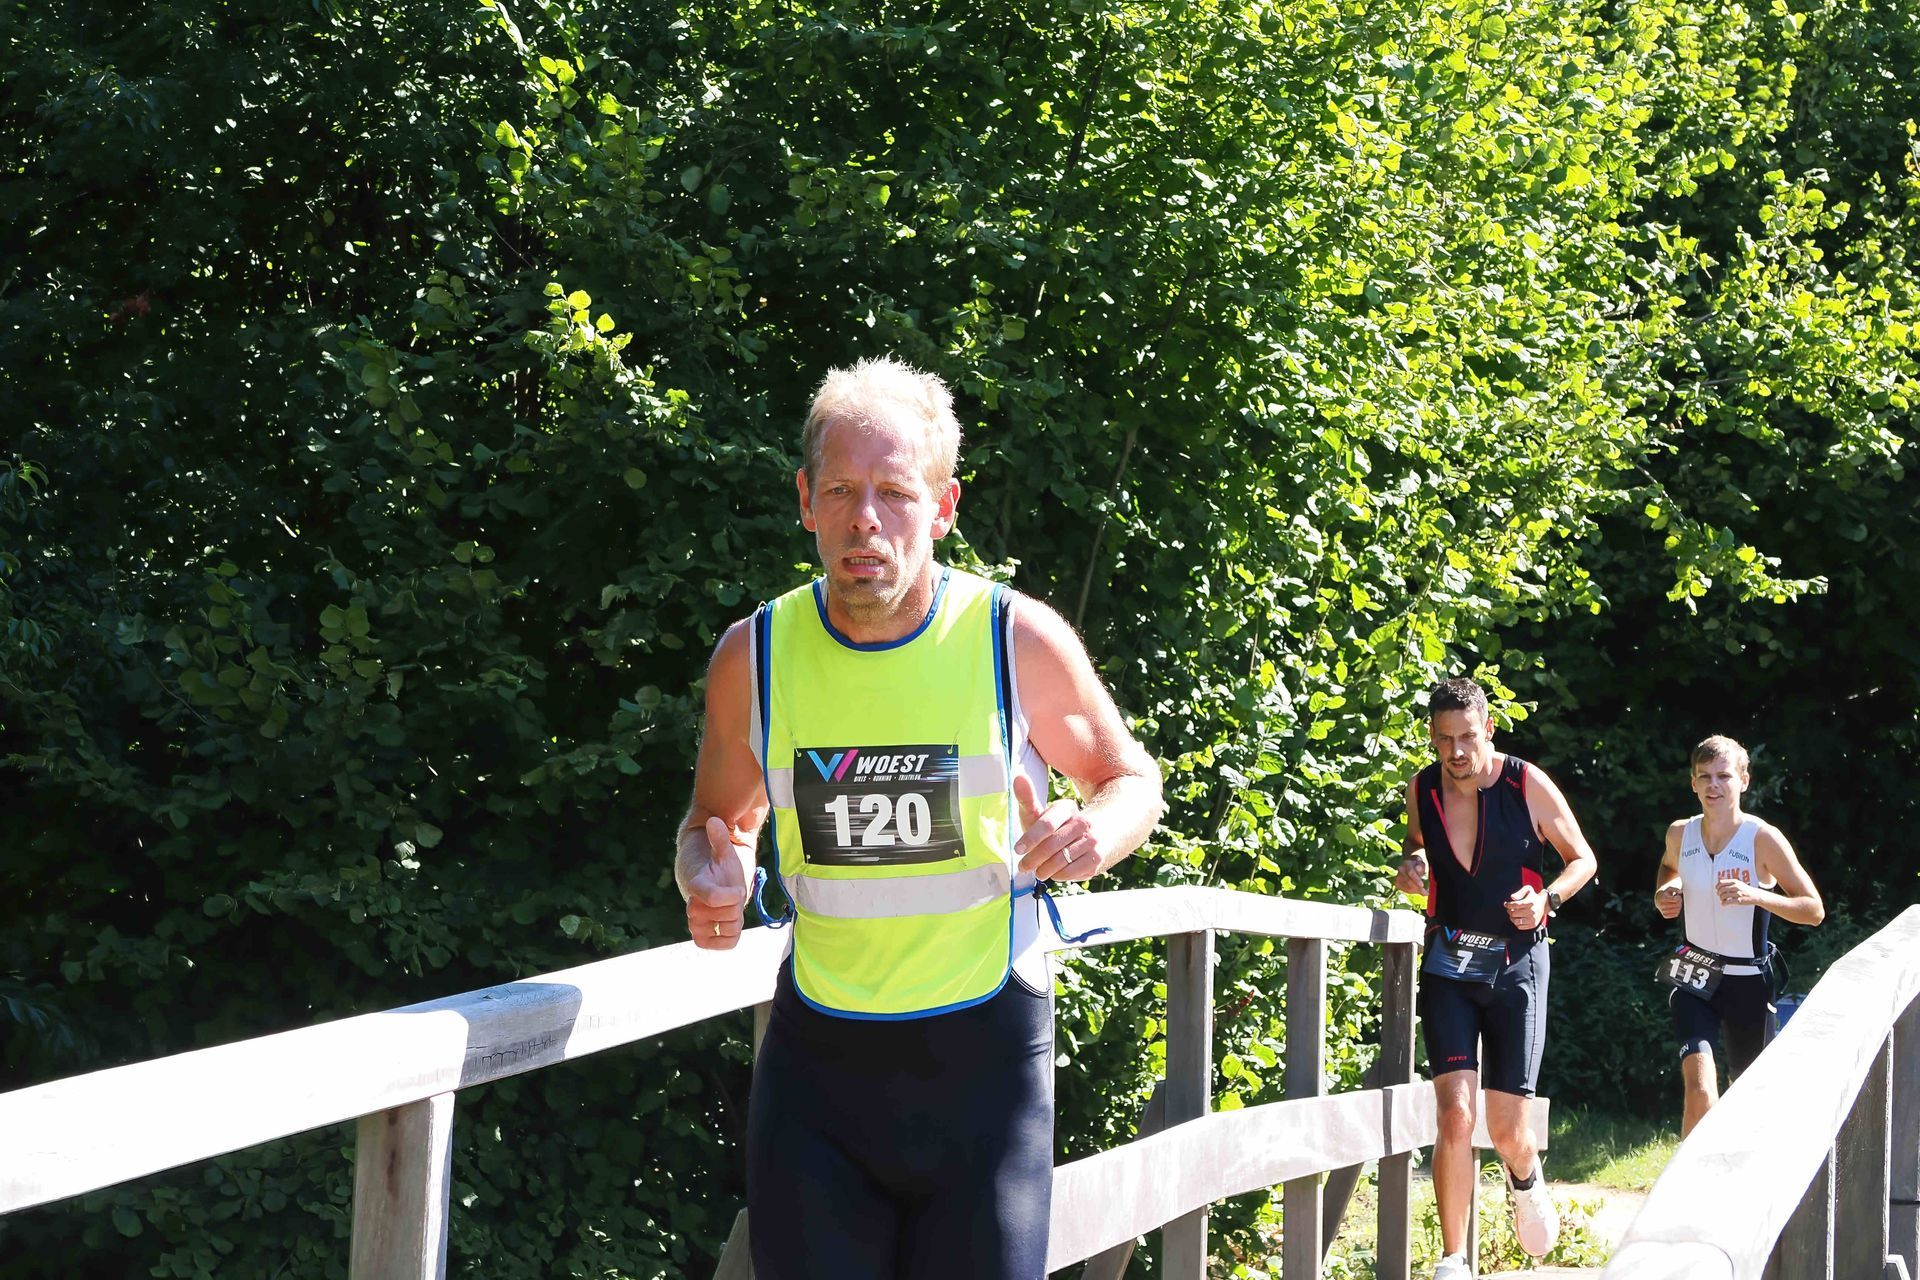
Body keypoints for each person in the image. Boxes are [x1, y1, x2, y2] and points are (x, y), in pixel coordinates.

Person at [674, 356, 1164, 1280]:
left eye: (896, 493)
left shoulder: (1012, 638)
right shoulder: (756, 655)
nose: (866, 518)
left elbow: (1131, 779)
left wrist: (1098, 830)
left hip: (985, 1069)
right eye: (841, 491)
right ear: (806, 502)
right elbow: (715, 824)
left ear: (943, 508)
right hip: (818, 1081)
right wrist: (709, 877)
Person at [1393, 677, 1599, 1280]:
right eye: (1443, 739)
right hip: (1449, 965)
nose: (1456, 751)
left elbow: (1583, 859)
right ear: (1432, 738)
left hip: (1517, 966)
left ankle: (1524, 1175)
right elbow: (1416, 845)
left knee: (1508, 1130)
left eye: (1466, 736)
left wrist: (1547, 901)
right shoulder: (1422, 789)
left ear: (1488, 728)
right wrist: (1413, 864)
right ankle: (1452, 1259)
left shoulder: (1525, 783)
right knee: (1455, 1114)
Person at [1652, 735, 1822, 1136]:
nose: (1714, 785)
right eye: (1704, 776)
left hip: (1748, 982)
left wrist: (1756, 896)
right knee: (1700, 1091)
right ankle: (1689, 1175)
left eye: (1724, 776)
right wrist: (1665, 892)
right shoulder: (1680, 834)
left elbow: (1813, 910)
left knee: (1747, 1104)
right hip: (1694, 975)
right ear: (1693, 783)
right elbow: (1668, 868)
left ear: (1743, 780)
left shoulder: (1762, 838)